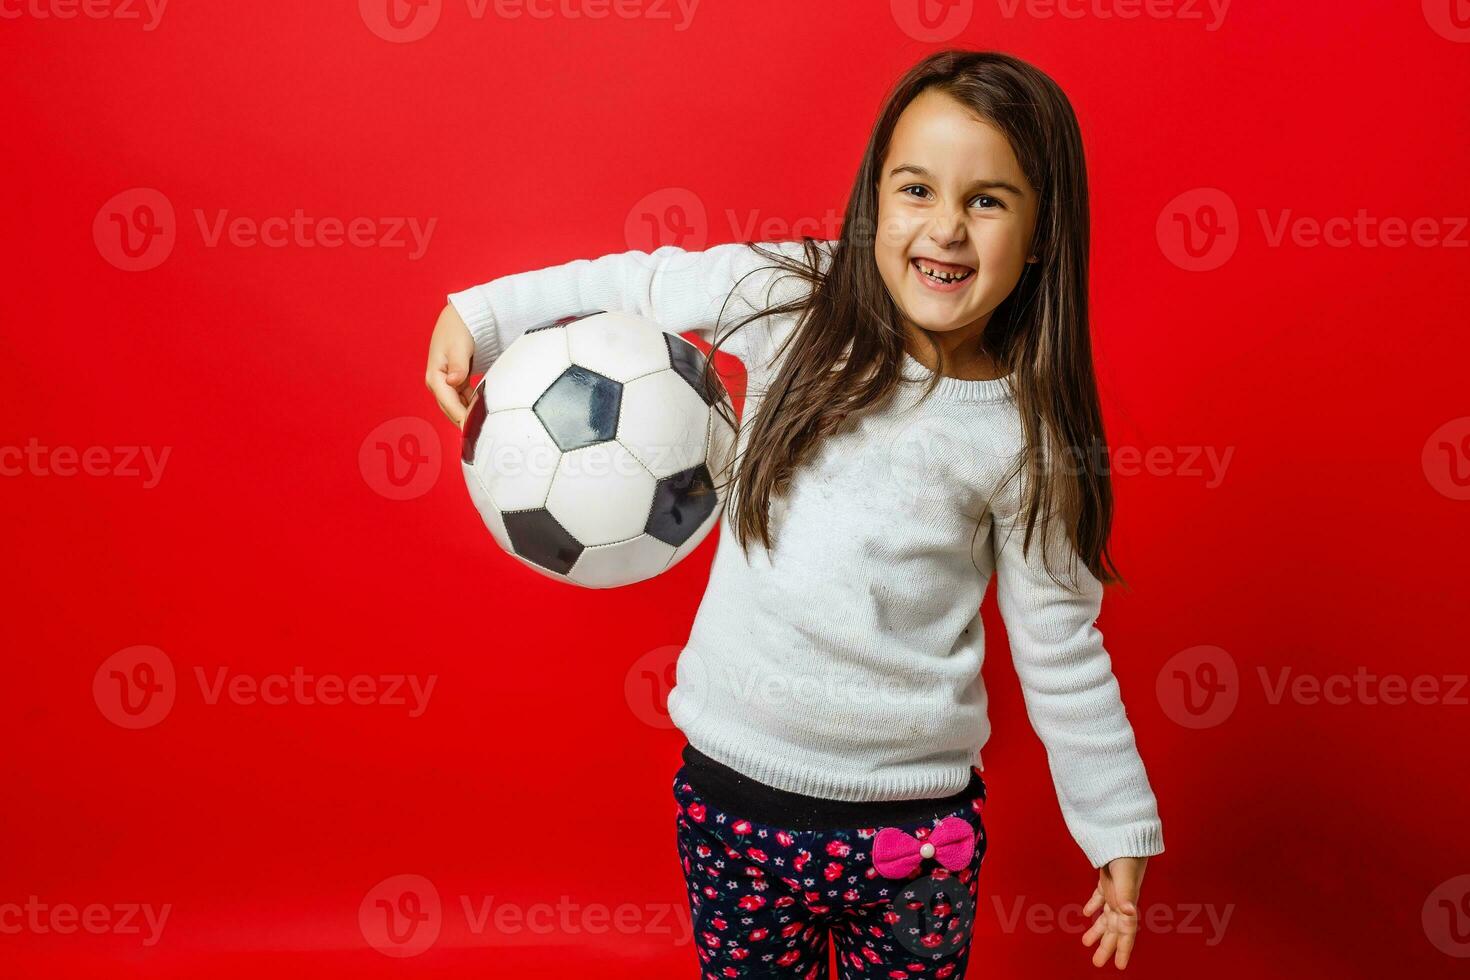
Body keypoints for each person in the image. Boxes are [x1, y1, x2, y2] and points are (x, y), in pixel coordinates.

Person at [425, 48, 1164, 977]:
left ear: (1043, 233)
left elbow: (1061, 650)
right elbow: (644, 281)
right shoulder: (793, 297)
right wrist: (484, 313)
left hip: (914, 833)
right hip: (734, 798)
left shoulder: (1029, 436)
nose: (944, 228)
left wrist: (1114, 823)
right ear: (874, 200)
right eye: (915, 189)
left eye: (987, 200)